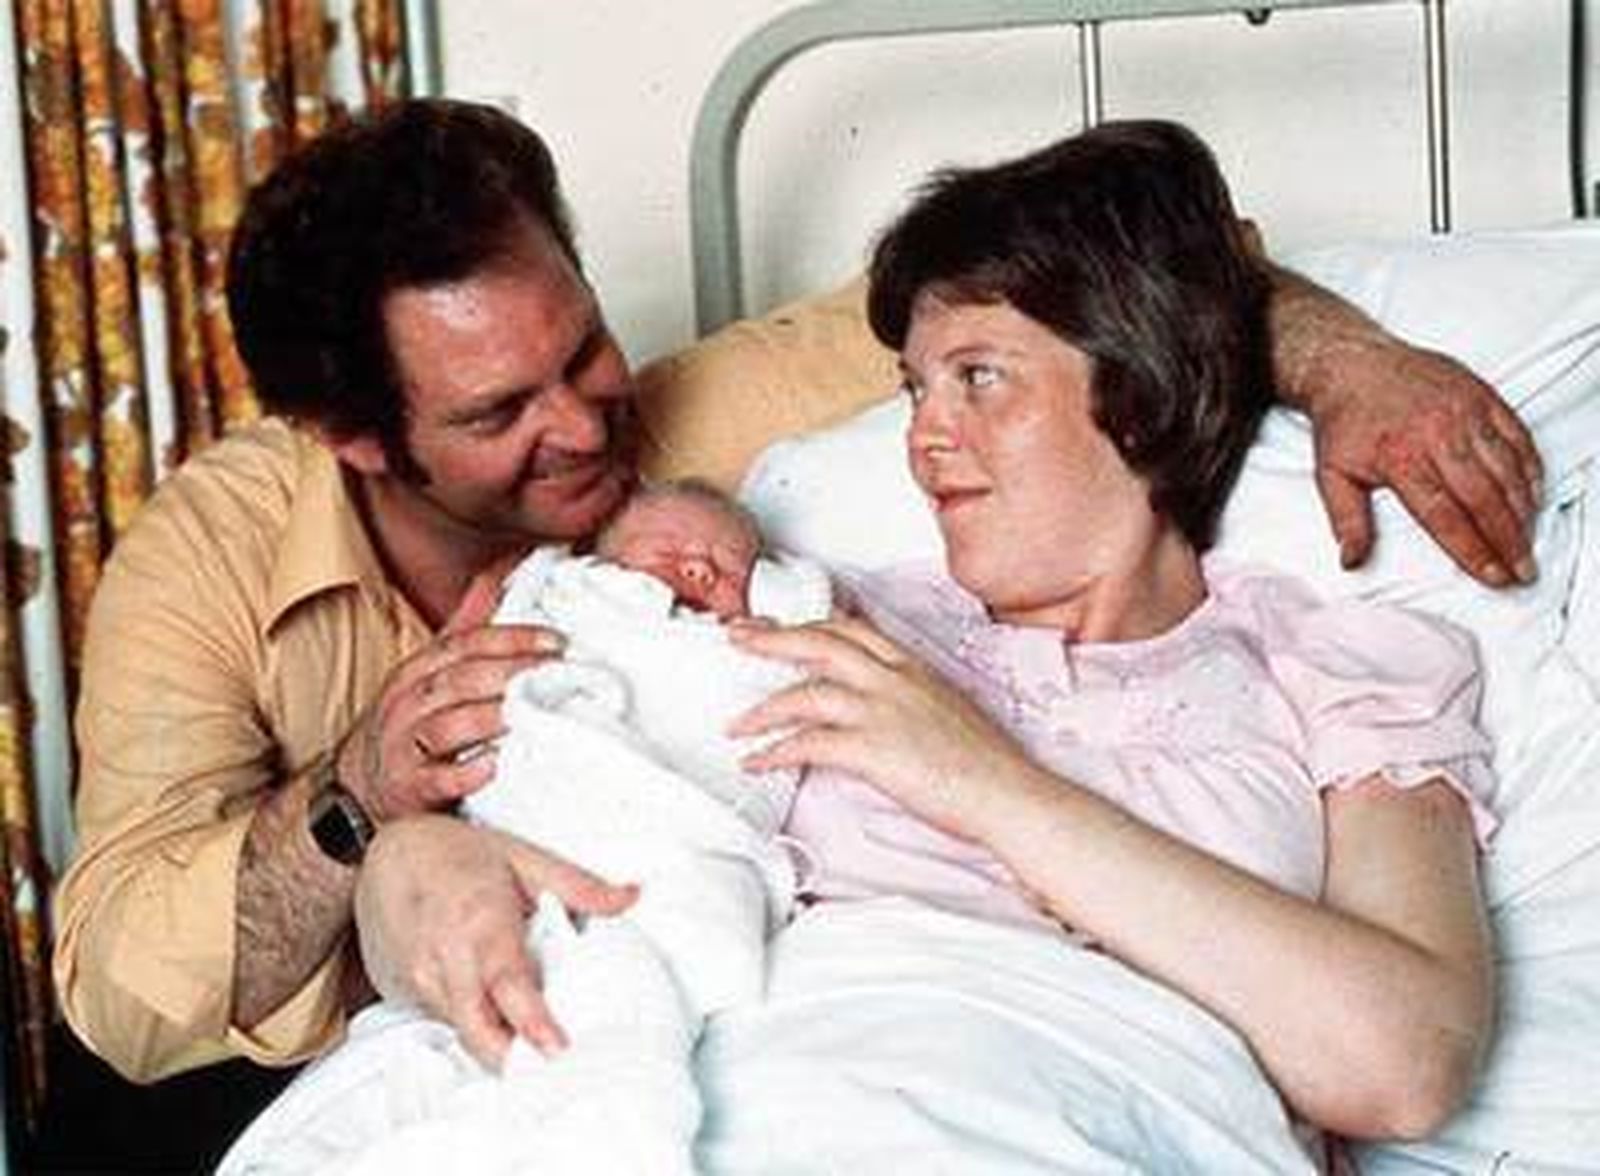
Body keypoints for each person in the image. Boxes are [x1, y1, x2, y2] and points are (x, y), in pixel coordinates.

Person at [53, 98, 1538, 1092]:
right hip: (392, 1042)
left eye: (585, 351)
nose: (584, 424)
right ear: (359, 441)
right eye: (502, 412)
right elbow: (118, 998)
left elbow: (1114, 286)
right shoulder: (212, 562)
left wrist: (1358, 366)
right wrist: (371, 819)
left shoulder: (759, 479)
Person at [725, 120, 1496, 1160]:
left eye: (977, 377)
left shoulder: (1333, 675)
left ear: (1137, 393)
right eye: (915, 388)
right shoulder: (823, 621)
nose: (922, 436)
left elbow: (1404, 1067)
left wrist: (983, 785)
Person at [217, 482, 831, 1174]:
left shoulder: (744, 649)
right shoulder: (566, 606)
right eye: (668, 555)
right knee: (389, 1082)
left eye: (730, 569)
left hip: (655, 884)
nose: (698, 570)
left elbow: (781, 661)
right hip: (512, 859)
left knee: (614, 1022)